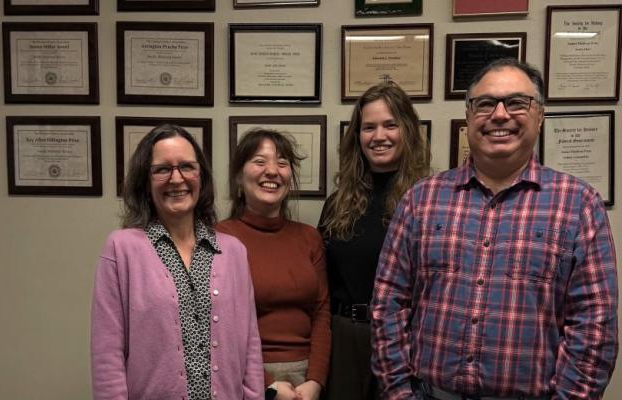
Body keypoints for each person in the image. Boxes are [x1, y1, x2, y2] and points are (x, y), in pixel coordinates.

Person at [371, 59, 618, 400]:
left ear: (540, 115)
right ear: (469, 116)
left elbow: (594, 327)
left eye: (517, 102)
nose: (500, 115)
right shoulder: (421, 200)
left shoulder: (577, 205)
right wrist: (399, 392)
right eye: (485, 104)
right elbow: (388, 303)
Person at [91, 124, 263, 400]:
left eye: (186, 166)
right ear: (145, 181)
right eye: (162, 169)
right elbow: (107, 354)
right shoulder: (121, 249)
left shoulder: (233, 252)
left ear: (201, 177)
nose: (176, 178)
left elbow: (250, 346)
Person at [318, 82, 430, 400]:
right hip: (344, 338)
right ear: (358, 136)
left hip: (406, 339)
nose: (378, 136)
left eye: (390, 125)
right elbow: (323, 283)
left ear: (407, 130)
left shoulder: (428, 199)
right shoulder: (338, 203)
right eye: (369, 127)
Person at [217, 128, 330, 400]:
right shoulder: (220, 238)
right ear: (238, 178)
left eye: (282, 163)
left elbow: (321, 314)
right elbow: (218, 327)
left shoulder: (309, 237)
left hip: (307, 382)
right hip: (246, 379)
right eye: (259, 161)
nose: (272, 171)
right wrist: (267, 385)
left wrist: (315, 381)